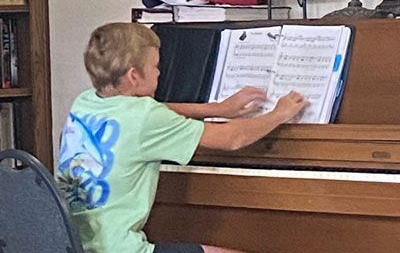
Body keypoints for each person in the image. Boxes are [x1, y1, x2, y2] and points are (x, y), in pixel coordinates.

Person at [57, 22, 309, 253]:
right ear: (134, 75)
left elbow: (155, 112)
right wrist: (279, 113)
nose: (158, 73)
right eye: (155, 66)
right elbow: (233, 138)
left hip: (74, 243)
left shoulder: (86, 101)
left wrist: (217, 109)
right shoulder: (145, 117)